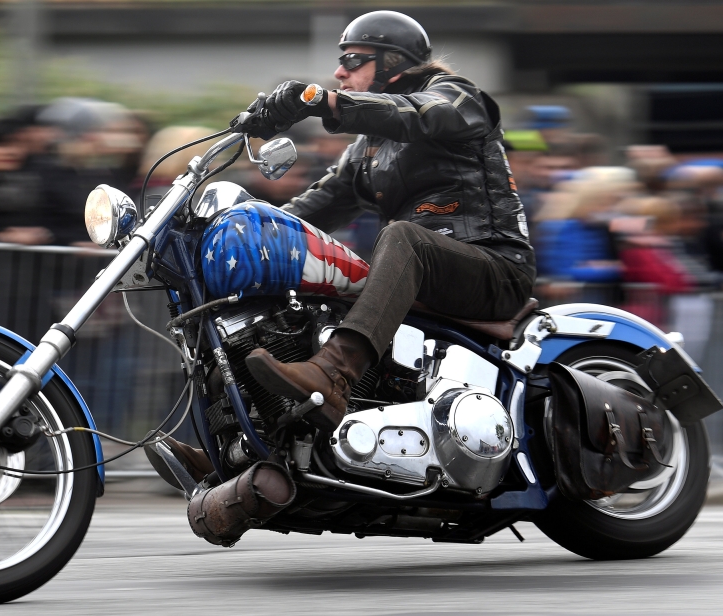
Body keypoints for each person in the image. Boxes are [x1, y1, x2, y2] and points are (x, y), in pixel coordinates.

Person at [153, 11, 535, 482]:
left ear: (393, 62)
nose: (340, 71)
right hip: (419, 278)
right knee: (277, 287)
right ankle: (241, 441)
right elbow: (314, 207)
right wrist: (237, 229)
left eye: (353, 60)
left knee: (402, 237)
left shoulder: (456, 96)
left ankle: (334, 374)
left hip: (493, 267)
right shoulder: (369, 149)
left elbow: (419, 114)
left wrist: (322, 101)